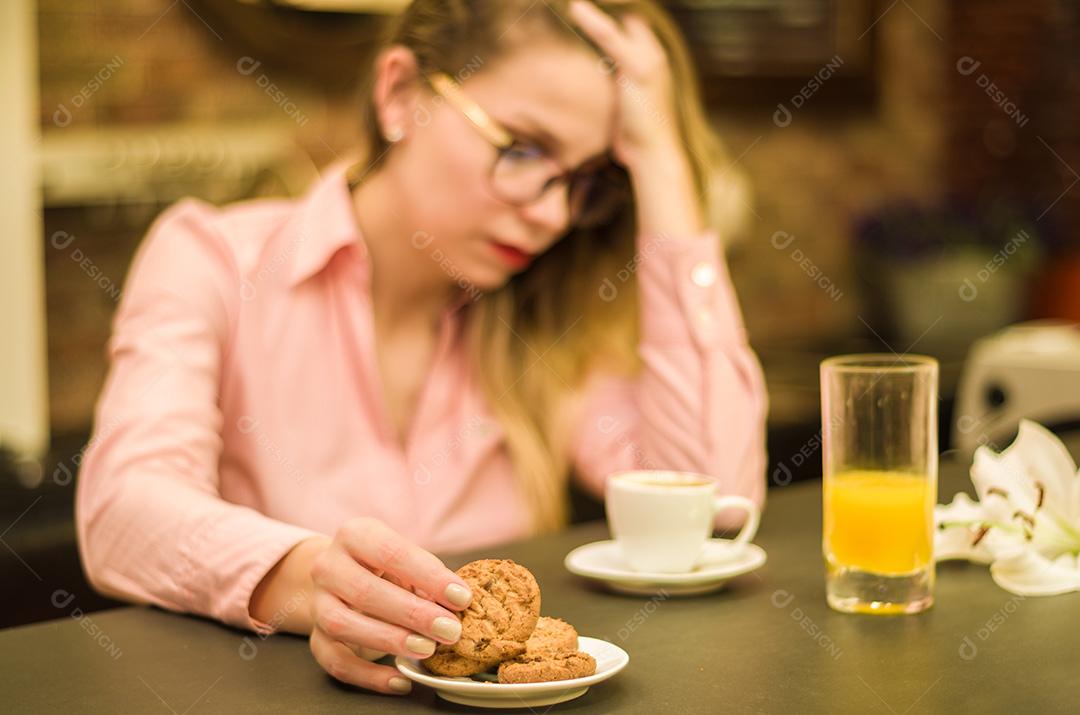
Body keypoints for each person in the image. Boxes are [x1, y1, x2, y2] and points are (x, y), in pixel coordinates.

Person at [75, 0, 766, 696]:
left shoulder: (550, 318)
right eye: (522, 147)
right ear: (402, 94)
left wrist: (664, 166)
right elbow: (124, 511)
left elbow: (716, 514)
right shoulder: (212, 261)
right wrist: (306, 576)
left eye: (587, 181)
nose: (554, 213)